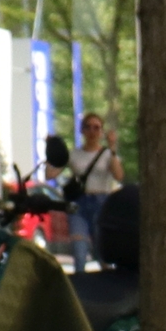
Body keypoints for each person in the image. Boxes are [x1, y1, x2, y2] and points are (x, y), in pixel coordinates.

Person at [63, 112, 124, 273]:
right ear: (82, 130)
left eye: (96, 128)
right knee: (79, 251)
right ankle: (79, 291)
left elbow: (119, 175)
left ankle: (105, 290)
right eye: (88, 127)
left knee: (102, 252)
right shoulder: (74, 154)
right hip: (78, 203)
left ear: (101, 132)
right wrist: (52, 150)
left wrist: (112, 148)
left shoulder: (106, 154)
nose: (92, 131)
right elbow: (51, 173)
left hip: (101, 202)